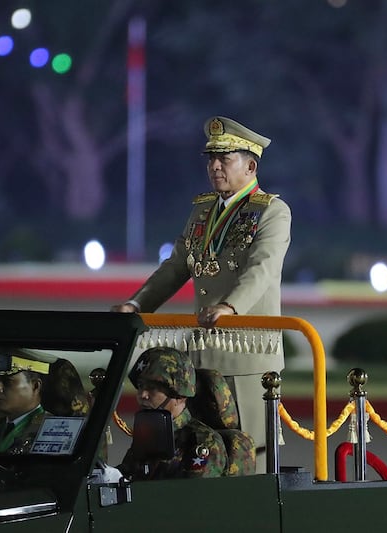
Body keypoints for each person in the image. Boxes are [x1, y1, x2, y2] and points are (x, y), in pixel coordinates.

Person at [112, 116, 292, 471]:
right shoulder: (203, 210)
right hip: (203, 354)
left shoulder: (271, 211)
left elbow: (263, 268)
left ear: (250, 165)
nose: (214, 166)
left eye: (224, 159)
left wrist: (230, 306)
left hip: (247, 355)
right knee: (203, 454)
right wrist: (138, 304)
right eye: (211, 158)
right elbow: (176, 266)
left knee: (248, 457)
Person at [118, 346, 226, 480]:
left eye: (152, 388)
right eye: (140, 386)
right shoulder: (149, 434)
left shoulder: (202, 442)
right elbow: (128, 474)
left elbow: (192, 496)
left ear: (180, 397)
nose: (142, 395)